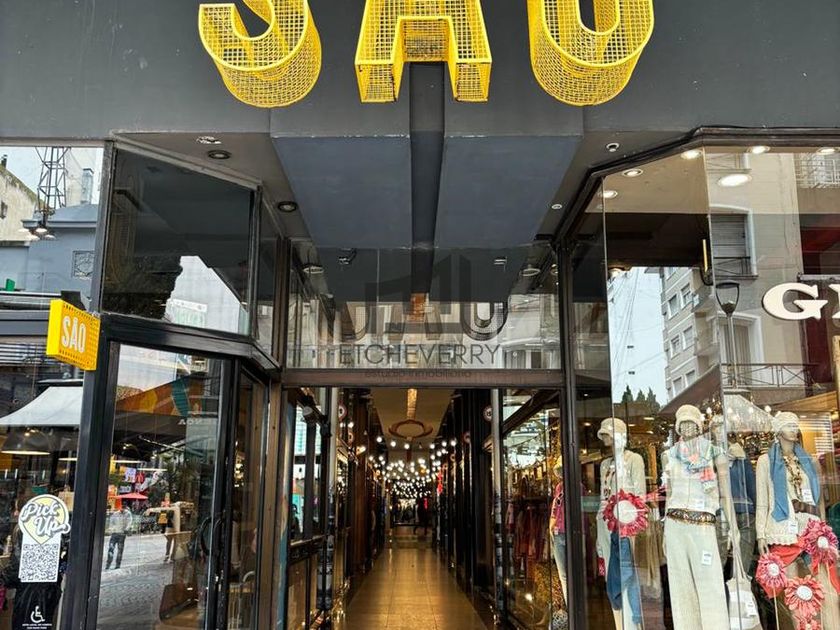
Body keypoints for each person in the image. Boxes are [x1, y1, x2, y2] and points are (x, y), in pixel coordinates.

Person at [105, 505, 132, 570]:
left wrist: (126, 529)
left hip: (119, 534)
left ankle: (114, 564)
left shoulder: (127, 514)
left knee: (116, 549)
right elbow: (111, 522)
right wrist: (112, 529)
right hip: (117, 533)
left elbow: (129, 522)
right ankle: (111, 564)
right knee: (114, 549)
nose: (123, 509)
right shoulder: (117, 514)